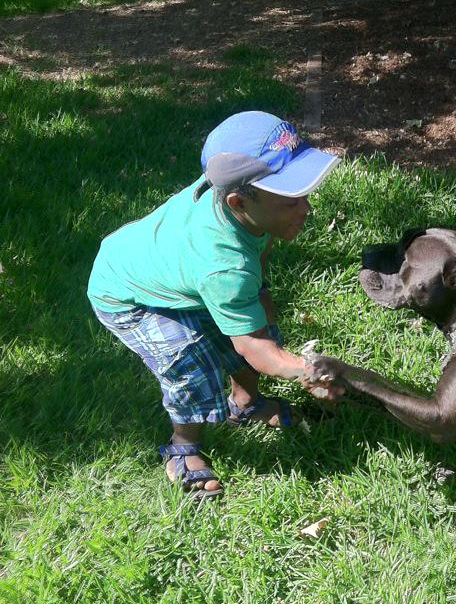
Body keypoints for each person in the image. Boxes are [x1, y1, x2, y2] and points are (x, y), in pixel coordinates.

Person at [88, 110, 343, 500]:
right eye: (291, 201)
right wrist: (308, 371)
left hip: (178, 271)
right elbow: (254, 348)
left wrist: (258, 296)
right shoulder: (224, 266)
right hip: (125, 294)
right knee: (190, 363)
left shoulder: (241, 204)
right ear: (240, 200)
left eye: (303, 194)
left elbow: (257, 259)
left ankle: (245, 404)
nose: (305, 208)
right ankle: (182, 447)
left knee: (261, 323)